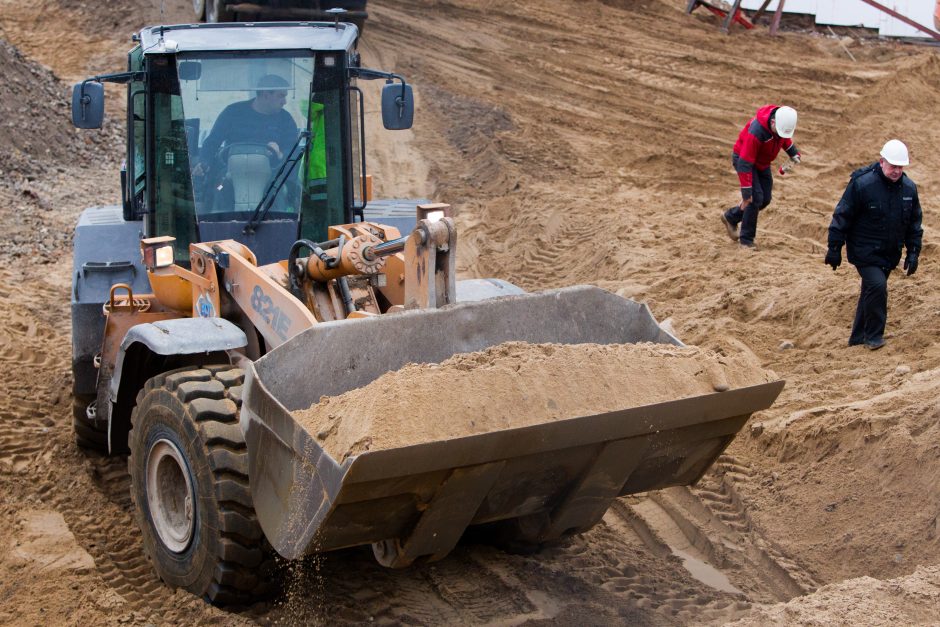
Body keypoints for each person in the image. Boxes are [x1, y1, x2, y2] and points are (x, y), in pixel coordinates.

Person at [825, 139, 923, 351]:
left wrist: (913, 252)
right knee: (877, 286)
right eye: (893, 166)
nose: (897, 171)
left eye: (900, 167)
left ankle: (857, 337)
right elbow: (842, 215)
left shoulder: (909, 189)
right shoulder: (862, 185)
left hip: (889, 254)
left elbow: (914, 224)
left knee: (871, 290)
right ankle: (874, 336)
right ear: (882, 162)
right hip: (864, 251)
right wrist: (834, 248)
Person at [720, 105, 801, 248]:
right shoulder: (756, 132)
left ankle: (731, 217)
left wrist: (793, 153)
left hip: (762, 163)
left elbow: (785, 139)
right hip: (745, 161)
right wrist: (746, 194)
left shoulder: (780, 126)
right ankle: (746, 241)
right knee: (754, 198)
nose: (782, 136)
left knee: (765, 199)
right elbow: (744, 163)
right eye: (780, 132)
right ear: (773, 122)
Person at [194, 74, 299, 176]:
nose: (284, 102)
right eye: (281, 96)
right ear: (266, 95)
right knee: (217, 189)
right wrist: (204, 163)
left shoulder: (286, 120)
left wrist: (280, 154)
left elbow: (293, 152)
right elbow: (213, 141)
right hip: (231, 175)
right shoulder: (233, 112)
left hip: (271, 182)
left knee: (284, 191)